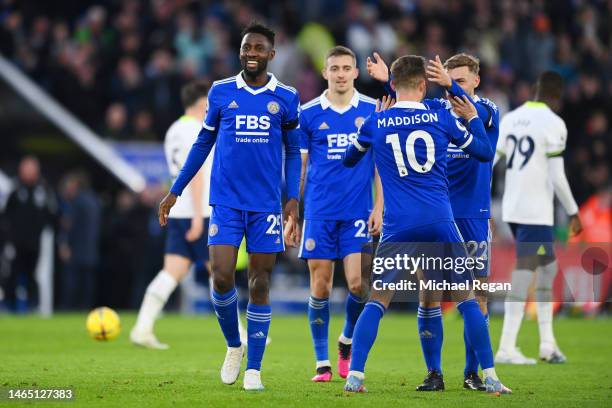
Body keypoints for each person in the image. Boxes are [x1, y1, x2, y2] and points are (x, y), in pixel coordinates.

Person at [341, 55, 510, 394]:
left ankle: (355, 376)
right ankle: (489, 375)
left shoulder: (378, 122)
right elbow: (481, 151)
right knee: (468, 298)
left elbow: (349, 159)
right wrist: (475, 120)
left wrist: (371, 127)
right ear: (423, 84)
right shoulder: (440, 116)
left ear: (397, 84)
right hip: (440, 220)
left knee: (377, 300)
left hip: (398, 226)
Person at [158, 22, 301, 391]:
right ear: (239, 52)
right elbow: (202, 145)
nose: (250, 53)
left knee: (259, 282)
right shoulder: (221, 92)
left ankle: (254, 368)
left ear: (271, 54)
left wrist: (292, 198)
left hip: (266, 205)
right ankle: (234, 346)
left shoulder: (286, 97)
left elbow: (292, 151)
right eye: (245, 48)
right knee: (220, 275)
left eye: (258, 48)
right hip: (226, 202)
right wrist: (175, 191)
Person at [297, 45, 383, 382]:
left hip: (358, 211)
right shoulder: (309, 113)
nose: (342, 74)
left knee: (360, 284)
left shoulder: (371, 109)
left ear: (356, 73)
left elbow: (380, 164)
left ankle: (345, 340)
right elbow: (301, 166)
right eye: (335, 68)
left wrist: (379, 205)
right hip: (319, 211)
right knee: (320, 286)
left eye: (347, 68)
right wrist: (293, 208)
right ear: (325, 73)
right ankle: (322, 362)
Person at [495, 71, 583, 364]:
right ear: (557, 97)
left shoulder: (511, 118)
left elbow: (493, 160)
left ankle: (547, 343)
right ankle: (507, 348)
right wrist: (573, 210)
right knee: (526, 275)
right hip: (536, 212)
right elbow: (557, 176)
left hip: (513, 208)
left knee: (547, 270)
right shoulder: (554, 123)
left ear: (535, 90)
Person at [130, 80, 215, 349]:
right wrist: (201, 218)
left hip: (179, 211)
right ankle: (241, 333)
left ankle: (142, 328)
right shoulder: (196, 128)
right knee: (220, 271)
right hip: (198, 211)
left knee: (172, 272)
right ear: (203, 103)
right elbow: (198, 174)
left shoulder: (173, 130)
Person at [2, 156, 56, 312]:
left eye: (32, 168)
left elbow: (52, 214)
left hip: (35, 241)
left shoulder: (44, 189)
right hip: (15, 242)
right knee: (12, 273)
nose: (29, 172)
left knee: (33, 274)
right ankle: (9, 305)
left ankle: (33, 306)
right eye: (26, 168)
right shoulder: (14, 189)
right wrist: (8, 236)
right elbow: (6, 215)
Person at [58, 171, 101, 310]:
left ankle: (70, 308)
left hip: (76, 249)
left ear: (76, 185)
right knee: (88, 284)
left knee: (72, 283)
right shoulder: (94, 200)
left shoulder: (76, 202)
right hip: (91, 250)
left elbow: (68, 225)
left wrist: (64, 245)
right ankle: (86, 308)